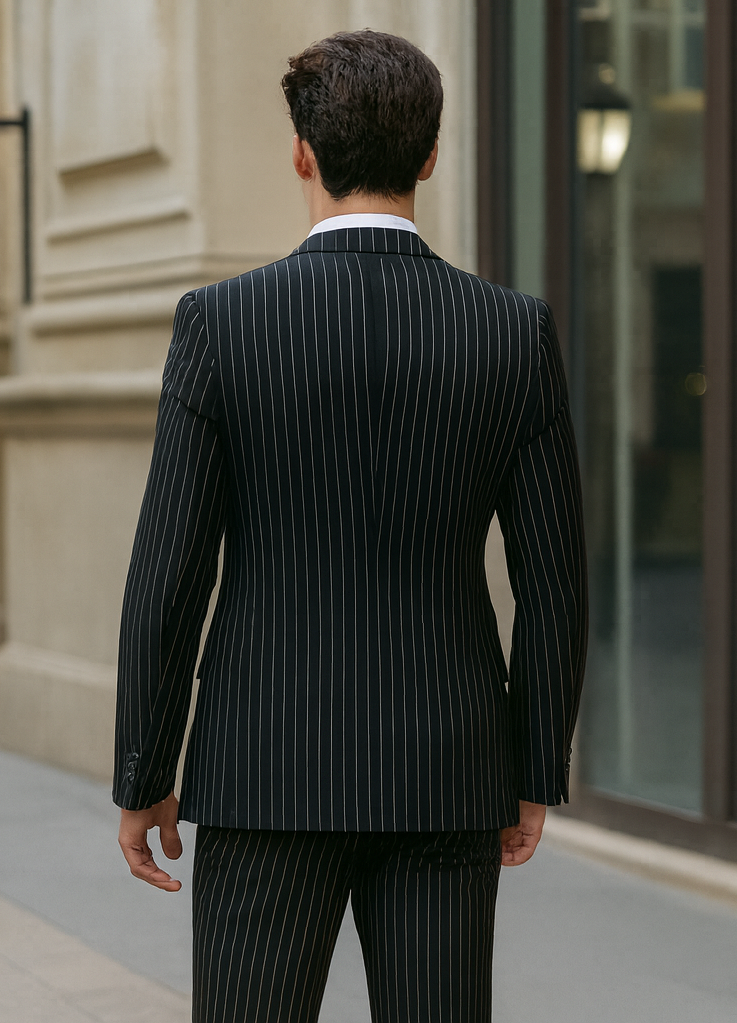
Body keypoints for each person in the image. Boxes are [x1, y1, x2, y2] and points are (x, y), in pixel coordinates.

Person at [113, 29, 588, 1023]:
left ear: (302, 153)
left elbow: (169, 574)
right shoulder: (512, 331)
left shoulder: (220, 323)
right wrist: (533, 764)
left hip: (263, 769)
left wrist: (143, 770)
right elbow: (553, 581)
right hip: (448, 770)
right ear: (430, 154)